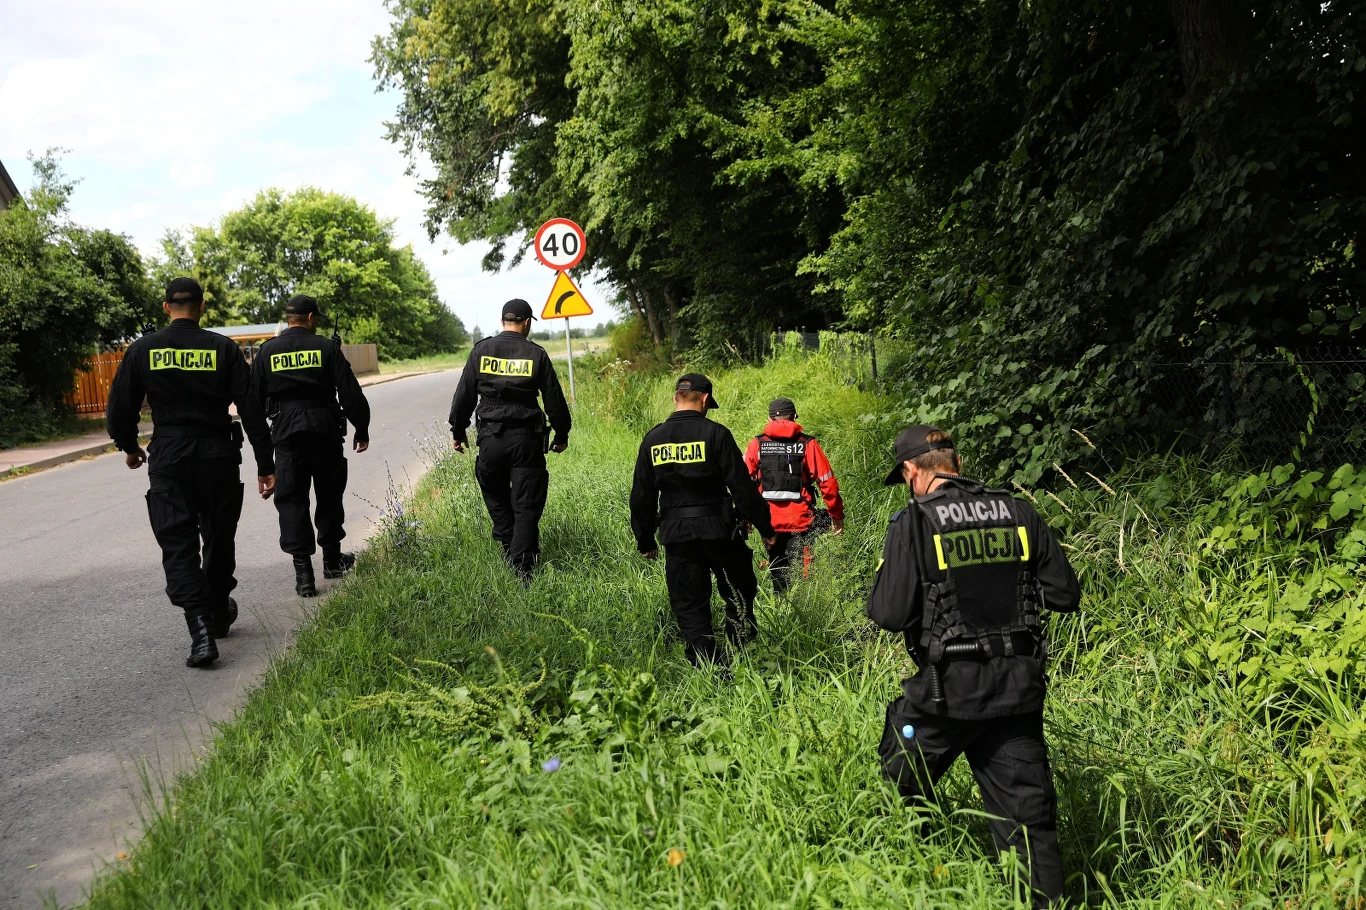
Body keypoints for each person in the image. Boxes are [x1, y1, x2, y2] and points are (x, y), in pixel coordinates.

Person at [867, 425, 1080, 907]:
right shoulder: (1018, 511)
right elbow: (1065, 593)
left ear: (911, 471)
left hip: (944, 696)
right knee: (1029, 826)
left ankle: (903, 879)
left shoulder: (914, 522)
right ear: (955, 463)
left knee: (896, 783)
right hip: (1016, 694)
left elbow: (889, 613)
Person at [106, 277, 275, 668]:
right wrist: (266, 465)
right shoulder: (223, 348)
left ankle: (200, 629)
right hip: (217, 454)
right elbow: (251, 409)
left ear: (167, 307)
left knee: (178, 544)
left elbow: (119, 410)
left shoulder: (143, 349)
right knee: (219, 536)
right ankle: (216, 611)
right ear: (201, 306)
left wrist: (130, 448)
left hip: (169, 455)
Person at [629, 374, 777, 666]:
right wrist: (766, 528)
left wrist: (645, 539)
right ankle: (744, 653)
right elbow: (742, 489)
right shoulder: (716, 434)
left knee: (689, 605)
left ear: (675, 398)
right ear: (706, 400)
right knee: (739, 593)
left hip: (677, 535)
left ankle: (706, 665)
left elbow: (641, 496)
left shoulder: (653, 439)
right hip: (720, 531)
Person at [251, 295, 371, 597]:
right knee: (329, 496)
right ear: (311, 318)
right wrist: (362, 428)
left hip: (287, 436)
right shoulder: (327, 348)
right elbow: (350, 392)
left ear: (289, 318)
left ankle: (303, 574)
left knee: (292, 500)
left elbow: (252, 403)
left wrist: (263, 457)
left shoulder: (267, 351)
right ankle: (331, 561)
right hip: (325, 432)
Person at [448, 299, 571, 582]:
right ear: (527, 322)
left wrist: (458, 431)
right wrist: (561, 434)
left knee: (496, 495)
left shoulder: (481, 350)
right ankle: (523, 568)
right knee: (526, 504)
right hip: (526, 440)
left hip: (490, 438)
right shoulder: (535, 354)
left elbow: (464, 395)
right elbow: (554, 400)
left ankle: (509, 547)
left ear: (503, 320)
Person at [743, 397, 845, 594]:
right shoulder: (807, 444)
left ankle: (782, 611)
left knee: (778, 570)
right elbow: (828, 483)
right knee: (803, 573)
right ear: (795, 417)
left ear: (770, 418)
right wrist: (836, 514)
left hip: (768, 522)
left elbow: (744, 485)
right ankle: (803, 607)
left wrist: (747, 516)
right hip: (801, 521)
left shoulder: (756, 445)